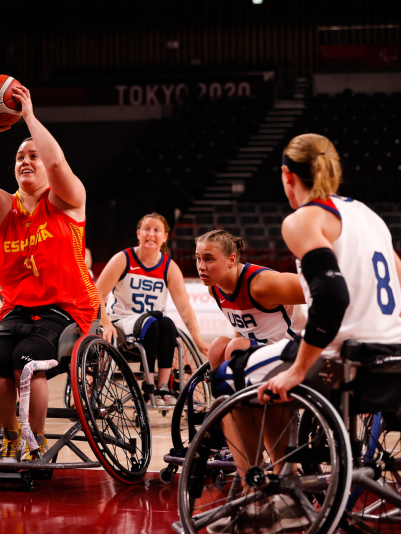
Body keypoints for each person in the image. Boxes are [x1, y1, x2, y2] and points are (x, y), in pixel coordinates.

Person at [207, 133, 401, 533]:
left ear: (286, 175)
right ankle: (286, 483)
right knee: (269, 378)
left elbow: (330, 294)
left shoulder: (304, 218)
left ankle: (259, 498)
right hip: (392, 355)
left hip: (345, 358)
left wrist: (299, 367)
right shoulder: (369, 215)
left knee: (226, 375)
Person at [0, 85, 99, 462]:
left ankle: (37, 442)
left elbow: (60, 165)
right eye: (19, 157)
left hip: (67, 310)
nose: (26, 161)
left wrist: (29, 117)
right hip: (17, 310)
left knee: (27, 362)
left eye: (34, 155)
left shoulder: (66, 199)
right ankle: (13, 437)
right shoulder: (3, 206)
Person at [96, 213, 209, 406]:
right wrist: (105, 322)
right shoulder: (123, 259)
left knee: (167, 323)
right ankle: (148, 390)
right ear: (138, 233)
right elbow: (96, 293)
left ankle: (162, 388)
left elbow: (184, 307)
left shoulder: (168, 267)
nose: (151, 234)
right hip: (121, 322)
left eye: (157, 230)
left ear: (165, 236)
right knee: (153, 323)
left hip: (152, 325)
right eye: (147, 229)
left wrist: (198, 340)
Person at [195, 229, 306, 369]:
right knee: (217, 347)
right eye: (198, 258)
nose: (201, 267)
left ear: (231, 260)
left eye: (208, 259)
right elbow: (242, 328)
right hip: (264, 348)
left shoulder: (262, 284)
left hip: (294, 346)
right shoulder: (214, 289)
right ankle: (223, 390)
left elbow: (321, 290)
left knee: (236, 348)